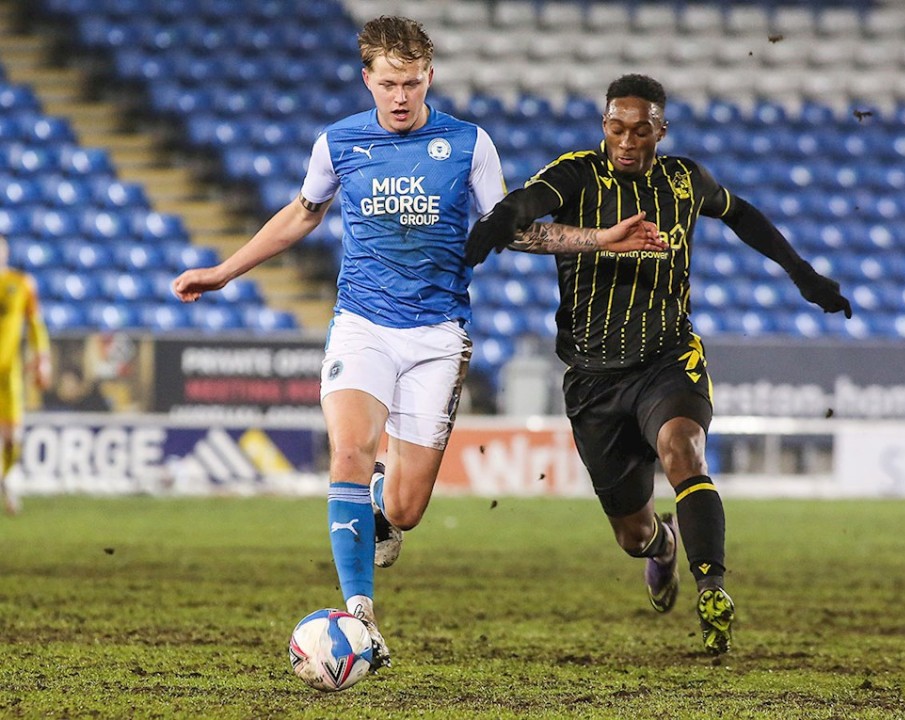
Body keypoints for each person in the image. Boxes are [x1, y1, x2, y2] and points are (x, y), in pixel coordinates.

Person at [172, 18, 662, 671]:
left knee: (405, 509)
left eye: (411, 83)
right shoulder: (338, 142)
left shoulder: (468, 144)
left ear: (429, 77)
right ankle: (360, 615)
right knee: (349, 450)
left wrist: (600, 239)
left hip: (437, 335)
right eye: (387, 84)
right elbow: (301, 214)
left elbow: (511, 229)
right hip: (363, 324)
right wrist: (224, 271)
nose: (399, 96)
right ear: (367, 79)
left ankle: (381, 502)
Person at [465, 73, 852, 656]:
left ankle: (713, 590)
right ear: (604, 126)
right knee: (633, 534)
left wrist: (803, 274)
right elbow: (529, 202)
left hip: (667, 358)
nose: (626, 140)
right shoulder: (577, 174)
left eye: (640, 130)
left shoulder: (684, 180)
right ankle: (663, 544)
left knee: (683, 450)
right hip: (594, 378)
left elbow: (741, 213)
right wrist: (503, 217)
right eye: (616, 128)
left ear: (660, 131)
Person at [0, 236, 52, 515]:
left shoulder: (21, 284)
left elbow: (35, 324)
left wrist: (42, 359)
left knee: (13, 438)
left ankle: (6, 479)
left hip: (8, 373)